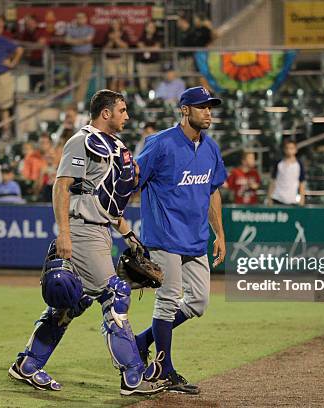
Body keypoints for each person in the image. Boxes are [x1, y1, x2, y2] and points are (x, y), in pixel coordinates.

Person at [9, 89, 167, 395]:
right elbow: (62, 187)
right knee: (115, 293)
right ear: (105, 113)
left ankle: (28, 364)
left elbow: (106, 200)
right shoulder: (82, 140)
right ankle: (133, 375)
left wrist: (126, 232)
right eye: (122, 110)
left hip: (100, 230)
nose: (127, 116)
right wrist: (64, 232)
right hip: (82, 230)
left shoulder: (116, 145)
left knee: (74, 303)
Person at [134, 86, 227, 394]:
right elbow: (133, 179)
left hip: (195, 238)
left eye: (210, 106)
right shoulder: (160, 144)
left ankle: (142, 341)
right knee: (169, 296)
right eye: (202, 107)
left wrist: (219, 233)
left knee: (199, 301)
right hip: (164, 235)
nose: (208, 112)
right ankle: (162, 370)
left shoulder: (210, 148)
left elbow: (213, 190)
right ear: (185, 110)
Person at [64, 12, 95, 106]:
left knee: (83, 80)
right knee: (74, 80)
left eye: (82, 17)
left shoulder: (90, 29)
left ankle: (77, 103)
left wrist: (75, 41)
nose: (80, 19)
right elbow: (67, 40)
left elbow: (88, 40)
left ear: (86, 19)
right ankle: (74, 101)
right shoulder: (71, 29)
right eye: (78, 18)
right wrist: (82, 41)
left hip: (86, 58)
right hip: (74, 57)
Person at [265, 140, 306, 206]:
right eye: (287, 148)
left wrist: (302, 199)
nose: (289, 150)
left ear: (296, 150)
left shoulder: (299, 165)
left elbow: (301, 183)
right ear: (284, 149)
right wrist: (269, 198)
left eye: (291, 148)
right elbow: (273, 181)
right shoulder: (278, 163)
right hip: (277, 198)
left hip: (291, 200)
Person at [18, 14, 49, 91]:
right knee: (31, 84)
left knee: (42, 83)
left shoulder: (41, 31)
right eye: (26, 23)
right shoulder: (25, 33)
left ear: (35, 23)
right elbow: (21, 45)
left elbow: (40, 44)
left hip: (41, 61)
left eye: (30, 22)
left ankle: (43, 97)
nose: (28, 24)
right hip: (29, 61)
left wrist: (28, 47)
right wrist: (30, 47)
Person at [103, 19, 130, 92]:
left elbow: (126, 46)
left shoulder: (124, 33)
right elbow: (105, 49)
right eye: (113, 24)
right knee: (112, 80)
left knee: (121, 80)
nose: (115, 25)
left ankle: (121, 98)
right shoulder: (107, 34)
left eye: (116, 23)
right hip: (110, 60)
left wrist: (116, 39)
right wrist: (111, 40)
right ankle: (112, 98)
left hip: (121, 59)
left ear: (120, 25)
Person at [136, 20, 162, 93]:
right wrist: (152, 48)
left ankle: (156, 100)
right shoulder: (141, 37)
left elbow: (157, 48)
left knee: (155, 83)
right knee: (143, 84)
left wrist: (146, 48)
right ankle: (144, 99)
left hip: (154, 63)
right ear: (146, 28)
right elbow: (140, 47)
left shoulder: (157, 37)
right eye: (150, 27)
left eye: (153, 27)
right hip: (143, 64)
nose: (152, 29)